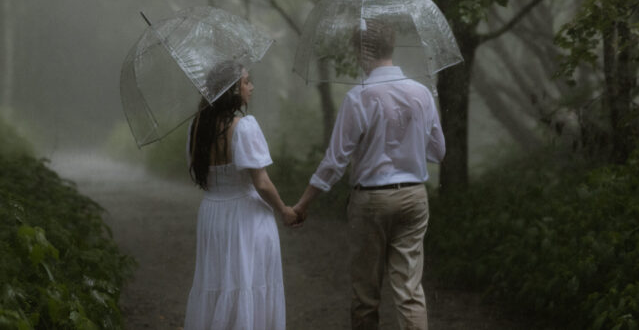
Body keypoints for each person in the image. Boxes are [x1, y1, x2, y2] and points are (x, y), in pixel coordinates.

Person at [292, 19, 445, 330]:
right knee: (410, 292)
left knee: (366, 294)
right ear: (390, 46)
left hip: (372, 201)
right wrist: (409, 144)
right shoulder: (422, 92)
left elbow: (335, 161)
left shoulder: (360, 97)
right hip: (414, 197)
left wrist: (303, 204)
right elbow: (438, 152)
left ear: (363, 51)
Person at [183, 61, 298, 330]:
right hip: (245, 217)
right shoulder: (244, 127)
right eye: (246, 82)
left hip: (212, 213)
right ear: (232, 89)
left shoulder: (197, 128)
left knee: (219, 281)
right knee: (247, 280)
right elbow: (262, 183)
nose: (251, 87)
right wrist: (284, 210)